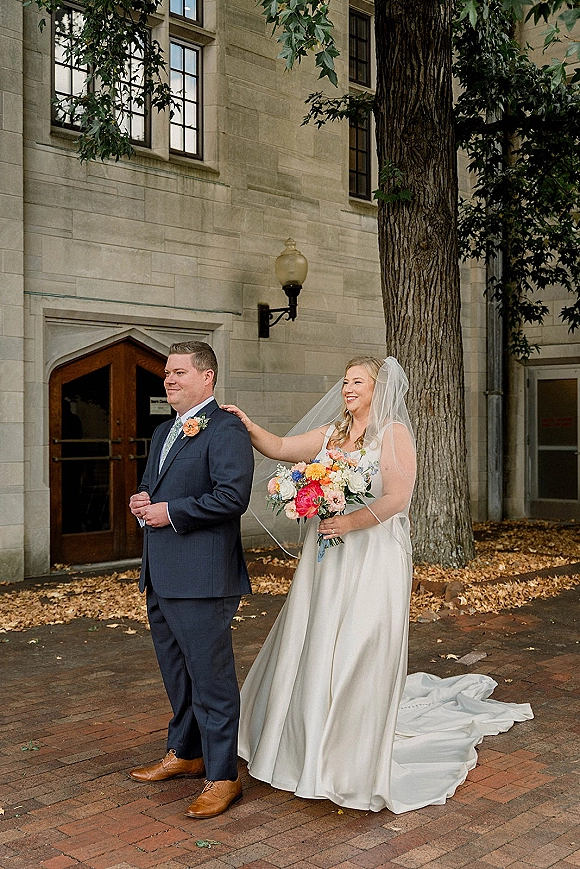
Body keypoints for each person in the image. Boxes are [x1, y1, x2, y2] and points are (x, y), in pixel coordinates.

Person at [224, 356, 532, 814]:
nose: (348, 388)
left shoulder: (393, 433)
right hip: (328, 558)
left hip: (374, 554)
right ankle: (306, 743)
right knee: (318, 638)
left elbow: (398, 497)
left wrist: (347, 520)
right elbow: (282, 447)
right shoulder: (331, 434)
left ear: (377, 388)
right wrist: (249, 426)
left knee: (360, 642)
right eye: (344, 380)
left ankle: (349, 756)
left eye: (357, 382)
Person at [128, 341, 254, 820]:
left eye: (179, 372)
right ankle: (185, 752)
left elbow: (231, 497)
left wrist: (169, 512)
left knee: (212, 679)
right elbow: (153, 485)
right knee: (176, 673)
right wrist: (143, 501)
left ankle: (223, 776)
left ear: (208, 378)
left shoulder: (225, 429)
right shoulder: (163, 431)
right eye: (166, 373)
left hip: (203, 578)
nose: (169, 379)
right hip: (161, 573)